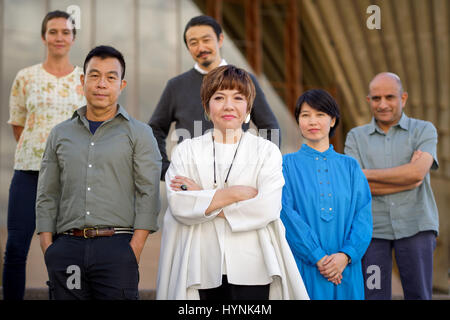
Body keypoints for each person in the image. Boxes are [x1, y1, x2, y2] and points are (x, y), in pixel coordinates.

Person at [156, 65, 308, 300]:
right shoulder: (186, 150)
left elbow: (267, 208)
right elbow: (180, 206)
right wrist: (236, 193)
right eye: (219, 97)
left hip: (253, 264)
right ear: (207, 106)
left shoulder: (266, 151)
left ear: (248, 107)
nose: (229, 106)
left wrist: (203, 197)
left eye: (238, 98)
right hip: (201, 264)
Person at [35, 45, 162, 300]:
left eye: (110, 77)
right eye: (94, 75)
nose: (101, 83)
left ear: (121, 85)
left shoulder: (139, 133)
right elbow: (47, 194)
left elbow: (149, 192)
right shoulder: (60, 134)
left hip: (117, 248)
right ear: (83, 81)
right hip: (66, 247)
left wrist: (133, 250)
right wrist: (50, 249)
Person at [3, 10, 85, 300]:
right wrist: (40, 152)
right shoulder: (25, 78)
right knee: (16, 246)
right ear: (43, 36)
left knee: (63, 250)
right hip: (28, 172)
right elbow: (19, 125)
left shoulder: (85, 80)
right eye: (53, 31)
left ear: (73, 38)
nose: (59, 37)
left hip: (69, 178)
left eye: (65, 32)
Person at [149, 15, 280, 180]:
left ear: (220, 40)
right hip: (191, 177)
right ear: (188, 47)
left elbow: (269, 126)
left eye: (206, 40)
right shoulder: (176, 86)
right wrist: (166, 170)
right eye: (193, 43)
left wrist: (264, 169)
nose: (201, 47)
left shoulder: (246, 81)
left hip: (236, 175)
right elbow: (155, 130)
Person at [344, 72, 439, 300]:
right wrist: (408, 179)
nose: (383, 104)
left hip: (416, 225)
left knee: (419, 295)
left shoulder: (424, 130)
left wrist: (367, 175)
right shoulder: (355, 137)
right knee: (373, 295)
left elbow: (418, 172)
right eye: (376, 98)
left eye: (390, 97)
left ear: (403, 98)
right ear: (368, 101)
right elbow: (355, 186)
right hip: (372, 232)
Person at [280, 89, 373, 300]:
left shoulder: (350, 167)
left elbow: (363, 217)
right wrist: (318, 257)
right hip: (305, 266)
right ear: (298, 121)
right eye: (305, 115)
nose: (313, 121)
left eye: (320, 114)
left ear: (332, 121)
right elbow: (285, 214)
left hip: (346, 269)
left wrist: (346, 255)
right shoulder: (285, 165)